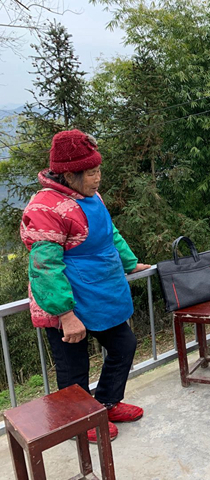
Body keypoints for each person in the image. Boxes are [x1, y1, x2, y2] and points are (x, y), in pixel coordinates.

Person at [20, 129, 151, 443]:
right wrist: (65, 315)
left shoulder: (92, 197)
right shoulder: (45, 208)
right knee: (73, 368)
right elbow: (45, 267)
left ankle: (106, 403)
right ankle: (78, 422)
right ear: (69, 175)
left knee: (123, 346)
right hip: (64, 302)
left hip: (100, 292)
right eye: (91, 173)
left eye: (98, 170)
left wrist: (129, 262)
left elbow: (109, 234)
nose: (98, 178)